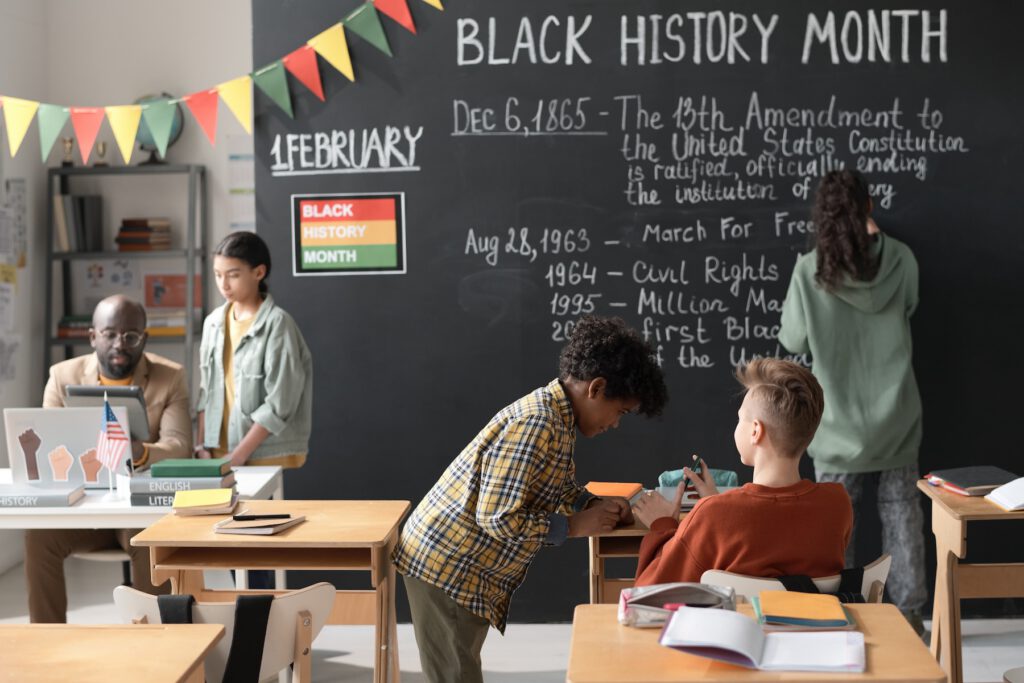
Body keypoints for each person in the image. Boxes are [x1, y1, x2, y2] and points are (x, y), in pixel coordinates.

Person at [393, 315, 668, 683]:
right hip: (447, 568)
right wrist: (572, 526)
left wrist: (589, 504)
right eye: (619, 412)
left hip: (461, 568)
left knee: (460, 667)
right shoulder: (538, 422)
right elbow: (497, 517)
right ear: (596, 388)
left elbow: (555, 486)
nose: (615, 424)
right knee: (455, 675)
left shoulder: (558, 419)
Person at [777, 169, 927, 630]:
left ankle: (839, 614)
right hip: (896, 416)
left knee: (836, 522)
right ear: (869, 208)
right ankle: (910, 618)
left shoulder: (810, 270)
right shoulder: (900, 259)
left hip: (835, 423)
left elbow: (793, 337)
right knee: (902, 514)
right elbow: (910, 306)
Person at [25, 295, 190, 622]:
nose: (120, 343)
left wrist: (141, 450)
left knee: (148, 537)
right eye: (110, 334)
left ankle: (154, 643)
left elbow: (179, 444)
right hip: (84, 509)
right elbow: (50, 442)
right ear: (92, 336)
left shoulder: (169, 377)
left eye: (131, 336)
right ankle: (44, 641)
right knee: (38, 535)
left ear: (144, 338)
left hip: (137, 510)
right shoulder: (62, 376)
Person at [632, 358, 852, 587]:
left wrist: (663, 525)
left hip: (739, 623)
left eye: (740, 418)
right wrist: (716, 505)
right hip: (820, 622)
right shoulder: (837, 504)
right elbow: (775, 528)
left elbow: (649, 590)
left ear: (756, 430)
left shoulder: (711, 515)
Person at [195, 231, 312, 589]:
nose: (223, 284)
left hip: (258, 453)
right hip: (220, 452)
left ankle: (265, 631)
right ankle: (254, 628)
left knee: (257, 545)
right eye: (217, 274)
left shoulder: (279, 326)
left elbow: (280, 403)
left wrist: (239, 455)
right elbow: (206, 390)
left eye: (232, 274)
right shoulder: (214, 322)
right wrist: (202, 447)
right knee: (231, 546)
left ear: (258, 272)